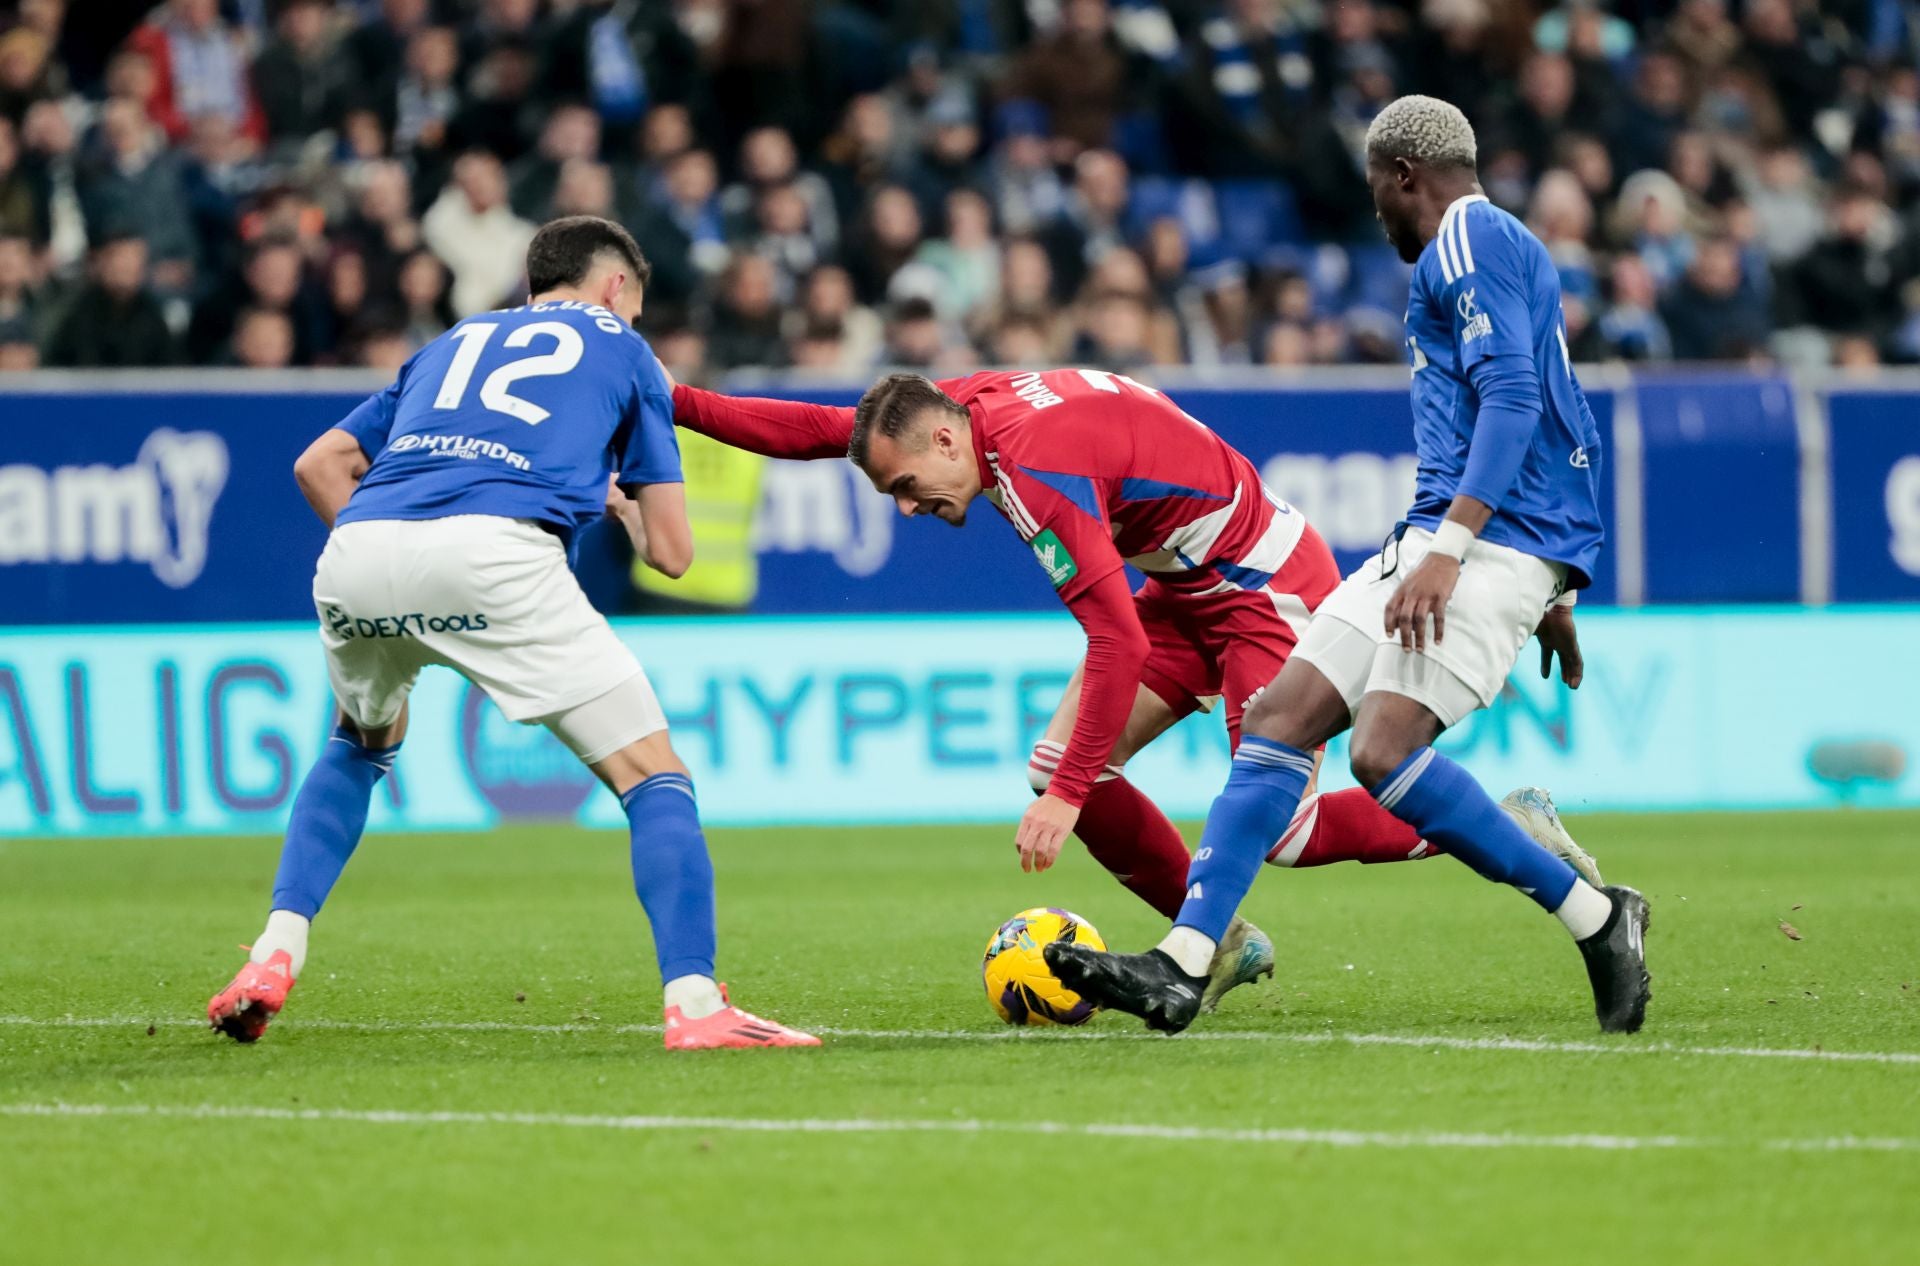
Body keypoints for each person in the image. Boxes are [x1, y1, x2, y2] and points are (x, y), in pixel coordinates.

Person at [668, 367, 1601, 1014]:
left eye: (908, 487)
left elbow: (1112, 637)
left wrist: (1073, 800)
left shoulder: (1030, 468)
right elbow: (820, 429)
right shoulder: (969, 410)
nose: (909, 508)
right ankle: (1220, 941)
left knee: (1283, 827)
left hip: (1259, 586)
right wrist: (671, 402)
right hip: (1190, 583)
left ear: (946, 440)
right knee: (1058, 762)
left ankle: (1510, 826)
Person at [1045, 95, 1650, 1037]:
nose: (1376, 212)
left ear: (1404, 176)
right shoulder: (1484, 254)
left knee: (1380, 753)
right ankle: (1184, 961)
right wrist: (1548, 584)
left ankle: (1599, 917)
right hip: (1455, 536)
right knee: (1282, 718)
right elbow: (1549, 403)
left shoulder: (1464, 240)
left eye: (1376, 192)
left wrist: (1471, 554)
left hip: (1485, 542)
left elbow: (1519, 396)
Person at [205, 216, 816, 1052]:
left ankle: (275, 951)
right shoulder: (625, 349)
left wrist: (402, 573)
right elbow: (672, 555)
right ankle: (697, 1003)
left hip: (359, 549)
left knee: (358, 744)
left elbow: (318, 465)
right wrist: (626, 505)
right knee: (653, 776)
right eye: (632, 307)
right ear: (614, 289)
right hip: (496, 552)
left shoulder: (457, 338)